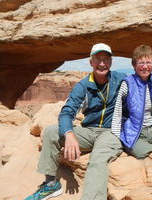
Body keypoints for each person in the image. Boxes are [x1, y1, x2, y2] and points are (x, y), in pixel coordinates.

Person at [25, 43, 126, 200]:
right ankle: (51, 185)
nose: (102, 63)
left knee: (97, 160)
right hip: (88, 131)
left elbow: (143, 89)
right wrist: (69, 133)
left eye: (106, 59)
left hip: (110, 132)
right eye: (98, 59)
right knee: (52, 131)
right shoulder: (83, 85)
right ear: (91, 62)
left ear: (111, 62)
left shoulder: (120, 80)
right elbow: (66, 113)